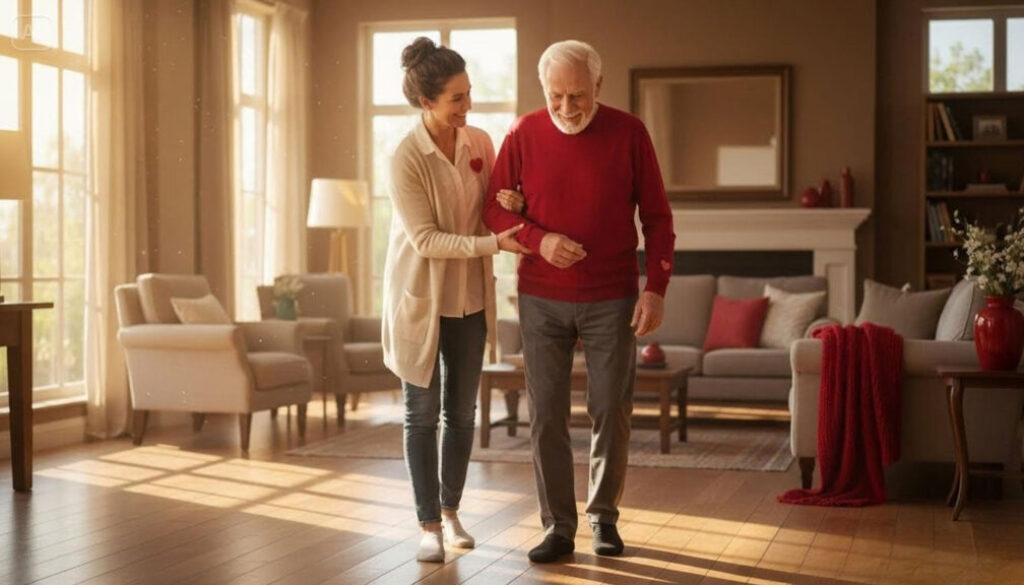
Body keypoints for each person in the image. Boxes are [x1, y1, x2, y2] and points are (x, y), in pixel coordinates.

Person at [482, 39, 676, 563]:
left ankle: (603, 518)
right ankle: (558, 527)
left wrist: (655, 288)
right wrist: (539, 239)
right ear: (543, 90)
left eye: (578, 96)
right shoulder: (521, 133)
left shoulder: (630, 133)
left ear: (598, 86)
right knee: (546, 413)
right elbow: (494, 212)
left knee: (611, 407)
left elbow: (658, 218)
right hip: (540, 298)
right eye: (556, 96)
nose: (567, 108)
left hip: (613, 295)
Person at [381, 37, 531, 563]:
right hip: (421, 300)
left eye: (469, 93)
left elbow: (493, 209)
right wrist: (494, 244)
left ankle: (450, 512)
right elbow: (426, 240)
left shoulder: (480, 141)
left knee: (462, 414)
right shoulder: (405, 157)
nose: (468, 105)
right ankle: (427, 525)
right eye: (456, 98)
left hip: (470, 299)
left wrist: (512, 203)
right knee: (421, 415)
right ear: (426, 102)